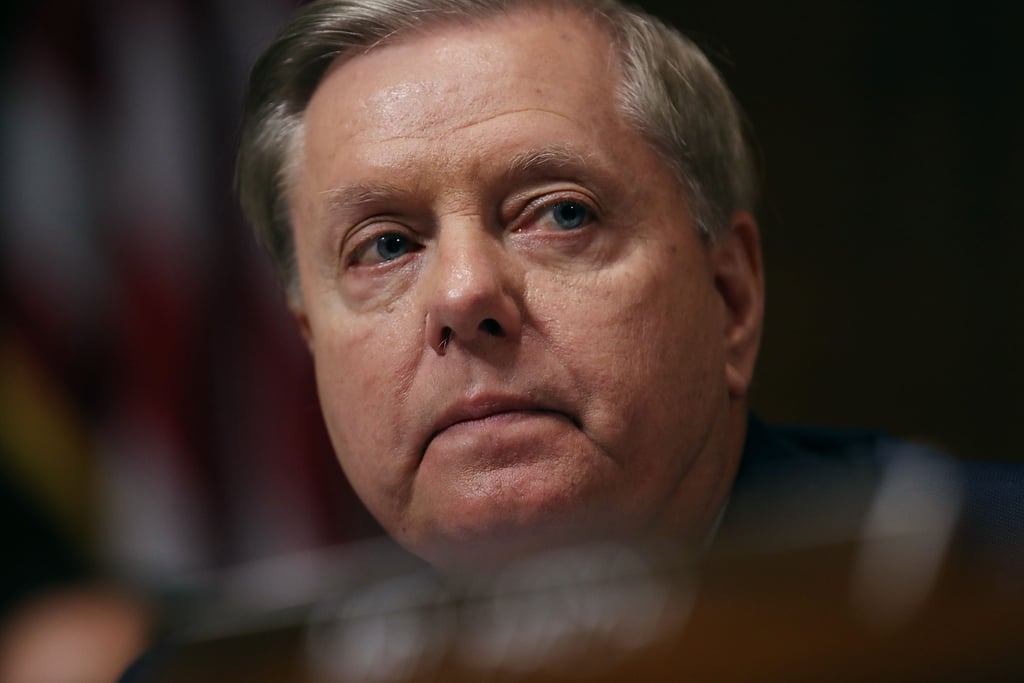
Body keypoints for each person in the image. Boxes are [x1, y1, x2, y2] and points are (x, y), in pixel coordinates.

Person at [235, 0, 1022, 573]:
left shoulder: (984, 586)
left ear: (732, 297)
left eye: (562, 213)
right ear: (312, 343)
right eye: (385, 245)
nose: (464, 294)